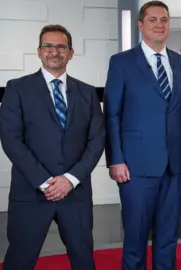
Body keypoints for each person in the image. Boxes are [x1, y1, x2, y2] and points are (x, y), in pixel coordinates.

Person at [0, 24, 105, 270]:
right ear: (39, 51)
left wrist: (70, 179)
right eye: (48, 46)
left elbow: (97, 139)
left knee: (83, 260)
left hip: (75, 193)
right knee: (19, 260)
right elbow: (11, 140)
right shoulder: (17, 88)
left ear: (71, 53)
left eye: (61, 47)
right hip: (31, 193)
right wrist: (46, 182)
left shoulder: (88, 93)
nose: (54, 52)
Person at [103, 1, 181, 269]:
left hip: (174, 165)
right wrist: (115, 160)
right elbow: (112, 114)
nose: (159, 24)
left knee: (168, 238)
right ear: (141, 25)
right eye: (152, 19)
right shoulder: (121, 62)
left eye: (164, 19)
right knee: (136, 239)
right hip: (135, 166)